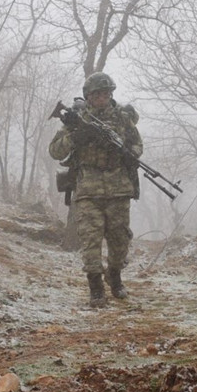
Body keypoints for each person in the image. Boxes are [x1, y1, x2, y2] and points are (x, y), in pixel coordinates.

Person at [48, 72, 142, 308]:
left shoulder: (122, 118)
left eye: (106, 93)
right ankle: (96, 288)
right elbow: (55, 151)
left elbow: (137, 145)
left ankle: (115, 276)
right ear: (88, 96)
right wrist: (75, 138)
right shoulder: (76, 118)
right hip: (88, 188)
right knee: (91, 241)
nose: (102, 98)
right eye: (97, 94)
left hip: (118, 187)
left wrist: (127, 153)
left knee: (120, 239)